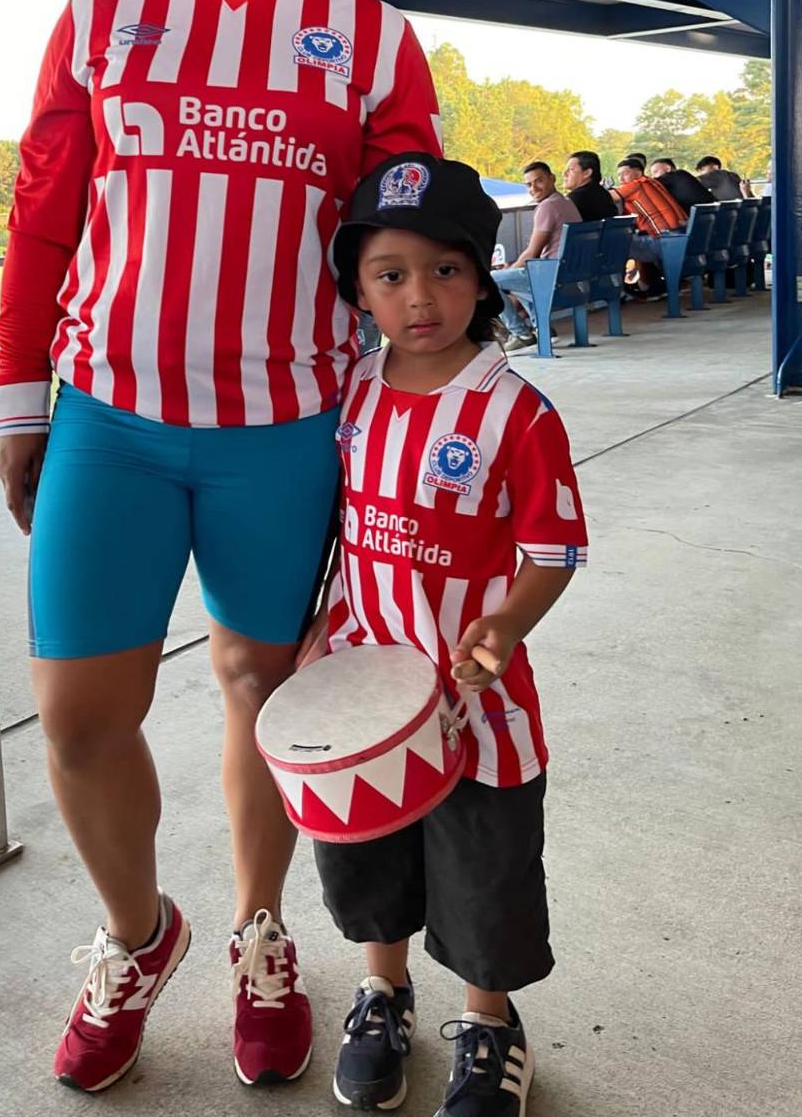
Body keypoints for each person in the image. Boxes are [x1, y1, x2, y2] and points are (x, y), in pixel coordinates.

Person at [0, 0, 443, 1094]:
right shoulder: (99, 23)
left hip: (287, 430)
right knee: (77, 716)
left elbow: (408, 248)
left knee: (263, 688)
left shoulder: (372, 40)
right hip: (112, 421)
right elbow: (44, 219)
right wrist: (21, 401)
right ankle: (141, 935)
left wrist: (414, 420)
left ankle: (260, 933)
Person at [297, 152, 586, 1117]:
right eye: (391, 274)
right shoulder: (354, 395)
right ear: (359, 290)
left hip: (476, 701)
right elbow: (336, 529)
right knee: (367, 852)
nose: (420, 296)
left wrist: (503, 623)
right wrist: (313, 631)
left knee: (482, 870)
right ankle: (383, 995)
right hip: (360, 689)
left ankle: (489, 1023)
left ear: (480, 271)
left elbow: (552, 550)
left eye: (446, 270)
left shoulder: (517, 412)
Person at [490, 162, 581, 352]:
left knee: (487, 280)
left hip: (552, 279)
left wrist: (510, 269)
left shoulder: (547, 207)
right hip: (571, 277)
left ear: (552, 178)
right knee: (520, 275)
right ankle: (543, 328)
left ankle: (520, 332)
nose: (534, 188)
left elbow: (533, 252)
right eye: (529, 185)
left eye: (539, 181)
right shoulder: (566, 202)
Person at [611, 157, 686, 295]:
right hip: (678, 237)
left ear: (638, 172)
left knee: (615, 244)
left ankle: (618, 292)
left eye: (625, 173)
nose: (621, 178)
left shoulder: (636, 184)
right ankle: (648, 285)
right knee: (639, 236)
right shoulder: (652, 182)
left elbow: (608, 197)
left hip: (664, 242)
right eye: (619, 175)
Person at [561, 150, 617, 222]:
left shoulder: (576, 198)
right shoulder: (604, 194)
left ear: (587, 173)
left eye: (571, 169)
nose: (564, 174)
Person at [649, 157, 713, 212]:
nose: (653, 177)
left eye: (655, 172)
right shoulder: (682, 177)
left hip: (698, 219)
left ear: (667, 168)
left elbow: (649, 183)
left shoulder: (677, 175)